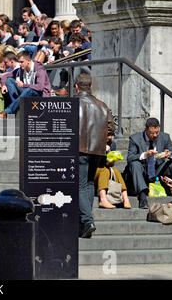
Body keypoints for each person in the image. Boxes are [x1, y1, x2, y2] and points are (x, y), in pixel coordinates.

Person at [75, 73, 115, 238]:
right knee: (90, 183)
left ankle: (87, 220)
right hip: (97, 150)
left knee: (80, 185)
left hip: (80, 149)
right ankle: (86, 222)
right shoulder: (102, 105)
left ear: (76, 86)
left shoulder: (73, 103)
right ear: (90, 86)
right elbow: (111, 128)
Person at [126, 118, 172, 208]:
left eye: (157, 132)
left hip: (158, 171)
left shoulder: (165, 137)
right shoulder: (135, 138)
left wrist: (169, 154)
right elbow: (130, 158)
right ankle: (142, 197)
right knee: (135, 163)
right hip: (142, 172)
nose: (155, 135)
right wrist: (145, 154)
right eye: (152, 133)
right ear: (145, 130)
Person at [0, 50, 51, 119]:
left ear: (28, 60)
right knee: (9, 80)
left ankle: (7, 112)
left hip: (40, 96)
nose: (20, 64)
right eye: (19, 62)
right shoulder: (22, 69)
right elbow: (6, 76)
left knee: (29, 89)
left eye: (22, 62)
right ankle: (16, 110)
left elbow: (40, 87)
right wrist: (3, 85)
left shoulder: (39, 69)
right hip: (27, 94)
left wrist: (23, 85)